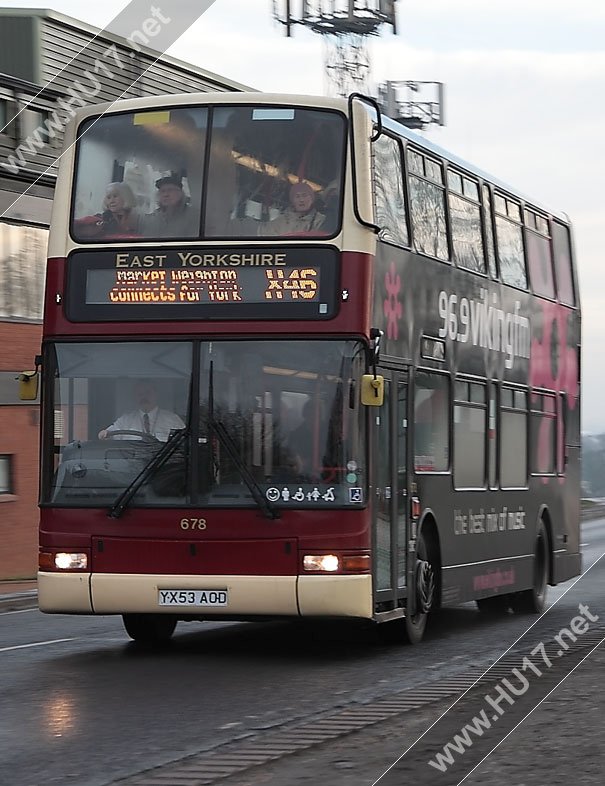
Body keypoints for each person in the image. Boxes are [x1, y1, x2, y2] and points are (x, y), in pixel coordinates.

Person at [98, 381, 185, 442]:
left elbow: (184, 441)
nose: (144, 397)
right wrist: (104, 434)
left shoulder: (172, 419)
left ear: (156, 394)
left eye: (148, 393)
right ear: (135, 397)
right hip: (132, 465)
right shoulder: (125, 420)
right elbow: (108, 434)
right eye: (140, 394)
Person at [73, 182, 140, 240]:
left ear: (126, 196)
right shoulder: (99, 219)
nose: (111, 201)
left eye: (115, 196)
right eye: (108, 197)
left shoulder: (137, 218)